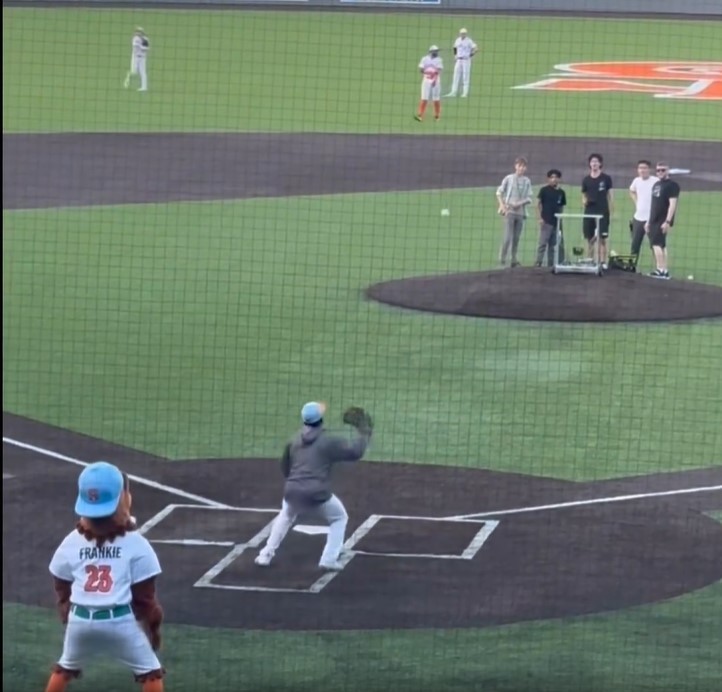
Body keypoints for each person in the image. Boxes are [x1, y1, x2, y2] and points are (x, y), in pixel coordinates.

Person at [45, 462, 165, 692]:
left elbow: (60, 580)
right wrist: (152, 628)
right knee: (151, 672)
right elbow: (146, 599)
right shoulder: (137, 544)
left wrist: (66, 608)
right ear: (124, 499)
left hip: (79, 620)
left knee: (64, 668)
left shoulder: (71, 541)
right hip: (119, 622)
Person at [255, 402, 373, 571]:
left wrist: (297, 484)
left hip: (292, 490)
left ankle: (265, 554)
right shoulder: (328, 441)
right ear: (320, 420)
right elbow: (355, 453)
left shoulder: (294, 440)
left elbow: (285, 467)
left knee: (286, 514)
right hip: (316, 493)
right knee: (339, 518)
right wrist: (363, 433)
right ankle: (329, 559)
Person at [496, 156, 533, 267]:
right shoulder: (509, 178)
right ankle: (502, 258)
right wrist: (502, 206)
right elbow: (499, 192)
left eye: (523, 166)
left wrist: (520, 203)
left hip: (520, 213)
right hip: (509, 212)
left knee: (516, 238)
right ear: (515, 166)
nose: (521, 168)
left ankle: (514, 259)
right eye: (519, 165)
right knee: (507, 237)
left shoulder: (527, 181)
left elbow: (529, 198)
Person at [645, 162, 681, 279]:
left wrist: (667, 221)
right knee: (662, 245)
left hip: (662, 220)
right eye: (658, 170)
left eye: (663, 170)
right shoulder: (656, 184)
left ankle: (660, 270)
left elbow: (672, 204)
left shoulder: (672, 185)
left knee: (655, 244)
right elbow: (653, 205)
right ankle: (664, 270)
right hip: (654, 219)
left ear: (668, 171)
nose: (660, 172)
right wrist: (648, 221)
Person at [581, 153, 614, 268]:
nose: (594, 163)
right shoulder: (586, 179)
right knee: (589, 237)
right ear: (589, 164)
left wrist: (612, 211)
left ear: (600, 164)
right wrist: (584, 201)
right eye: (592, 162)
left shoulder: (606, 178)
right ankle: (590, 260)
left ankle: (603, 262)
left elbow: (610, 195)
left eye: (596, 161)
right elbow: (583, 194)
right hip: (589, 211)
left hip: (602, 211)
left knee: (602, 238)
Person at [536, 169, 567, 267]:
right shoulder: (544, 190)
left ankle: (550, 265)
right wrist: (539, 218)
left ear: (559, 179)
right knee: (542, 244)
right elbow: (538, 204)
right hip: (546, 221)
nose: (554, 179)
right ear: (548, 179)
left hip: (557, 223)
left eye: (556, 177)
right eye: (552, 177)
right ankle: (538, 263)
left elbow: (561, 207)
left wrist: (560, 219)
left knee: (553, 245)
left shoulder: (561, 192)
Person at [628, 160, 659, 262]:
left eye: (645, 168)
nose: (642, 170)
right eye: (640, 168)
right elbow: (631, 191)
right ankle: (632, 266)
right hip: (638, 218)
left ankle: (659, 267)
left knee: (655, 245)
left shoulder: (656, 181)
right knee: (635, 245)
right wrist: (636, 202)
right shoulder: (636, 181)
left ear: (649, 169)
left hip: (652, 219)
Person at [446, 28, 478, 98]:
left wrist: (471, 55)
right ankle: (453, 92)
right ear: (460, 33)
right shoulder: (457, 40)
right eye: (462, 33)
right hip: (458, 60)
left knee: (465, 76)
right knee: (455, 75)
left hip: (466, 60)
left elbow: (476, 48)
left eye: (464, 33)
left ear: (466, 34)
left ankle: (465, 93)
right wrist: (455, 55)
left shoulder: (469, 41)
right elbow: (455, 47)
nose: (463, 34)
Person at [415, 45, 443, 122]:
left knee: (436, 99)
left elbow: (438, 71)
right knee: (424, 98)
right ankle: (420, 115)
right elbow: (421, 69)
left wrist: (434, 79)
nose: (437, 52)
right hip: (426, 80)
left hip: (436, 80)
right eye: (435, 51)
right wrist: (427, 73)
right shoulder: (424, 59)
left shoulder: (439, 60)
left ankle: (437, 116)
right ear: (431, 51)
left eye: (437, 51)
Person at [124, 27, 150, 92]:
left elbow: (147, 48)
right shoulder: (135, 39)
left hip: (143, 58)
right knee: (134, 72)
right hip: (135, 57)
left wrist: (144, 46)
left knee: (143, 72)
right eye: (137, 32)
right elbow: (137, 47)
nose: (138, 33)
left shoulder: (145, 39)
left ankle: (144, 87)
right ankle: (129, 75)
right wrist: (143, 46)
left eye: (139, 32)